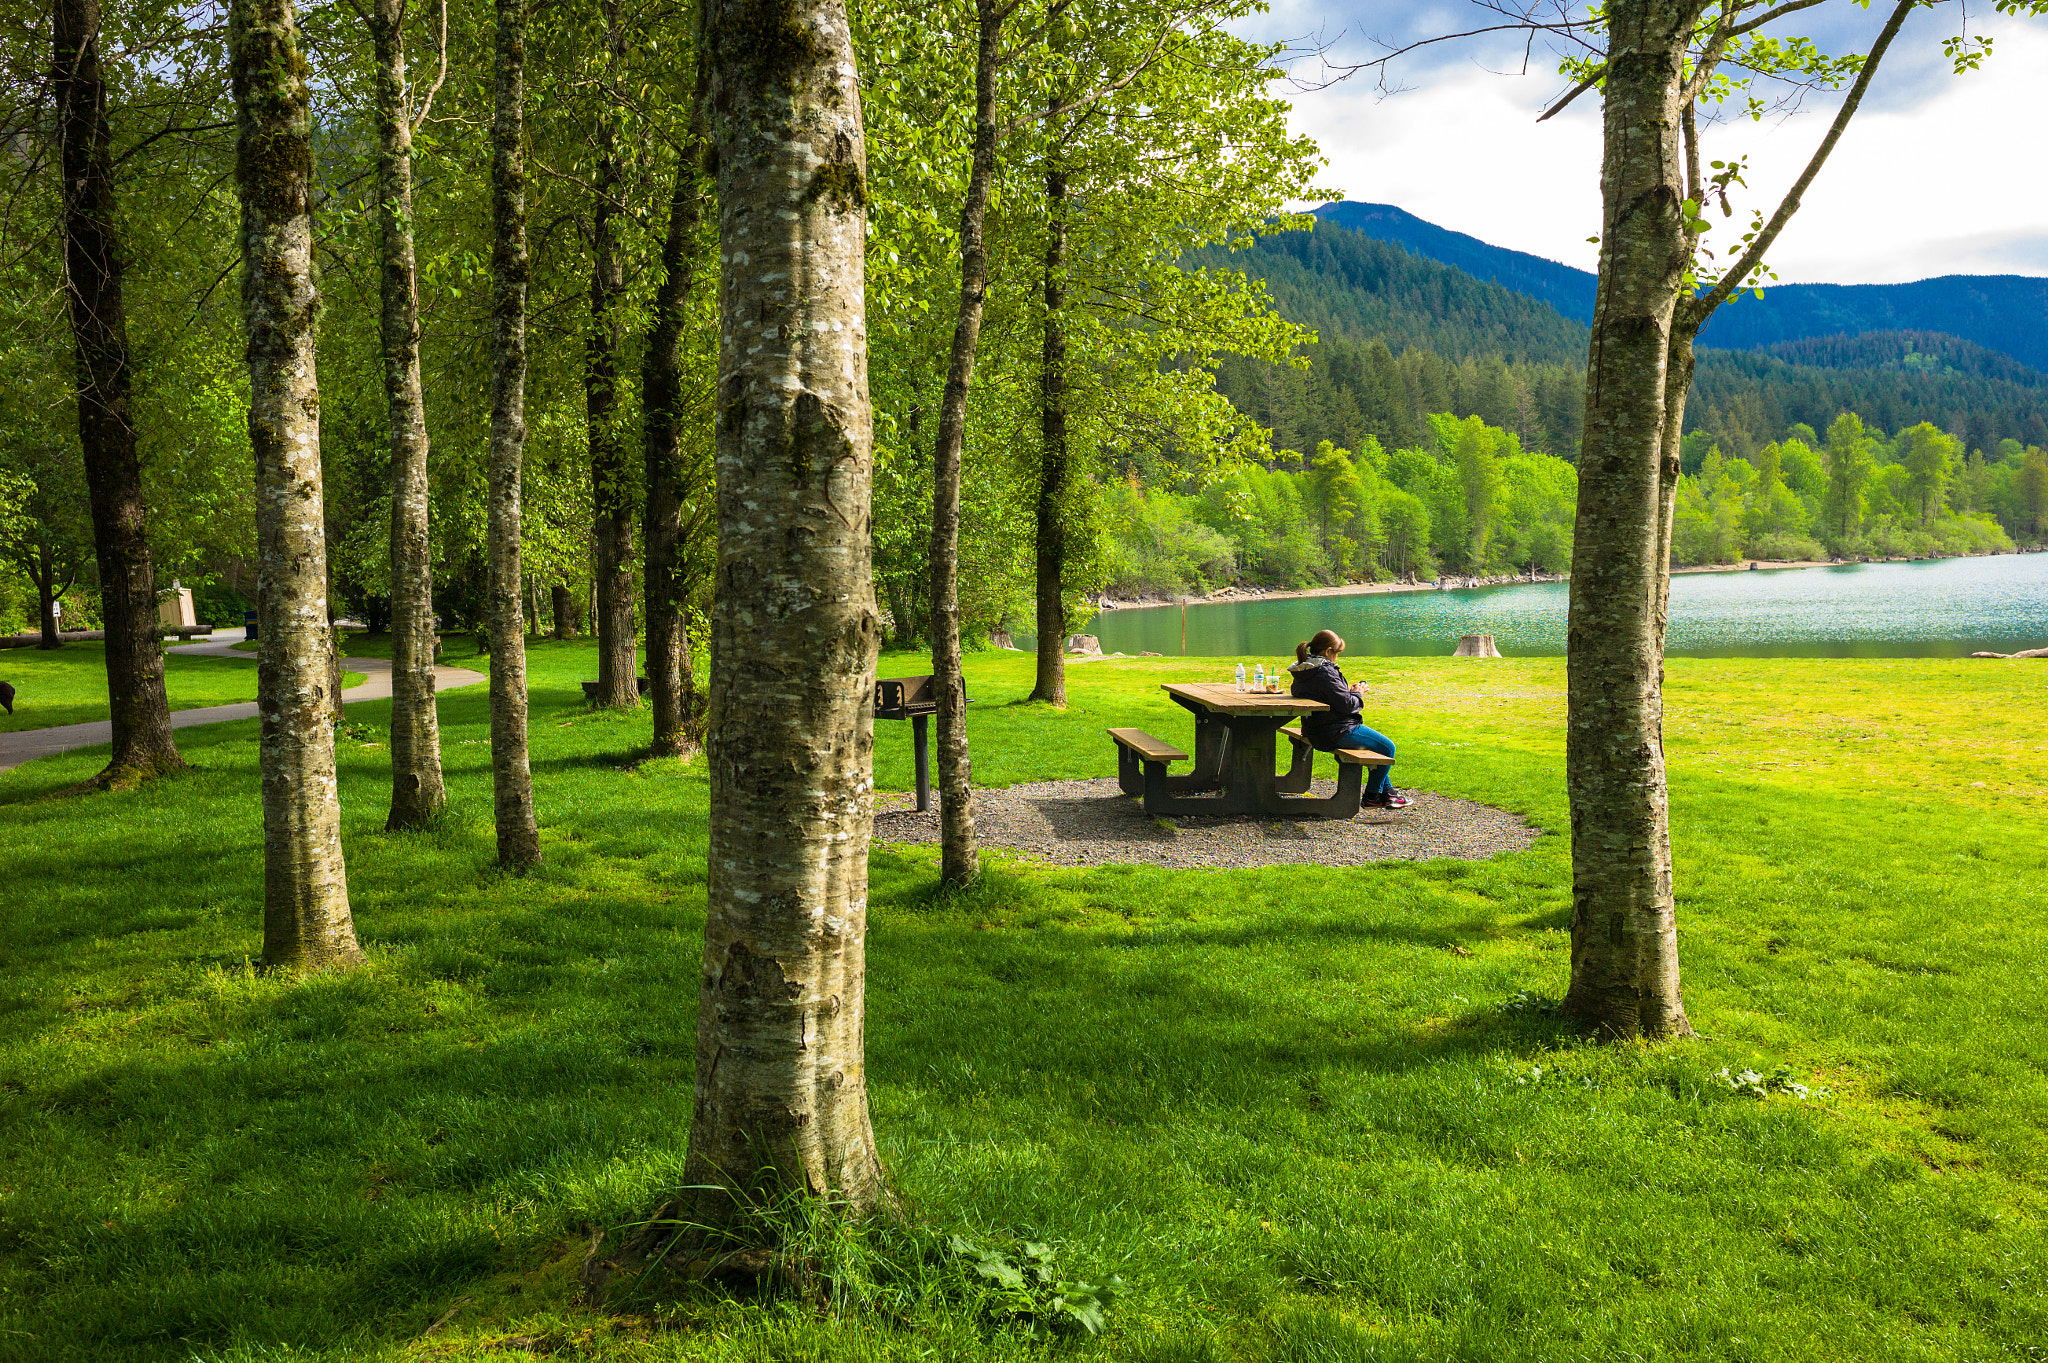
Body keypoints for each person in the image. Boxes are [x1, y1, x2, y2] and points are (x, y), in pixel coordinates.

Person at [1287, 629, 1410, 810]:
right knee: (1387, 747)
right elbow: (1346, 705)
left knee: (1376, 748)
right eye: (1337, 653)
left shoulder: (1304, 669)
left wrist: (1348, 691)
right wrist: (1357, 693)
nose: (1337, 658)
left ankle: (1389, 793)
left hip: (1314, 730)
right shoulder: (1324, 672)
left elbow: (1329, 696)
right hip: (1335, 731)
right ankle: (1372, 796)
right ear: (1328, 651)